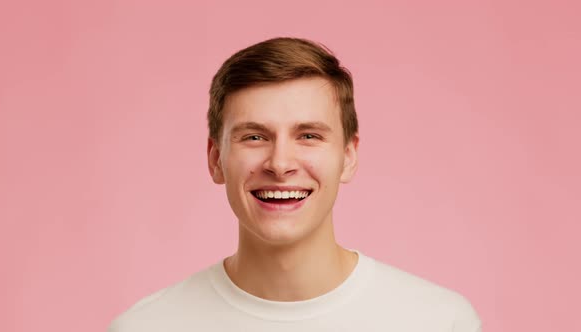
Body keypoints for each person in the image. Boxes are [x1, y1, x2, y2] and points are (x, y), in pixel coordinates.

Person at [108, 37, 482, 331]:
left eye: (308, 136)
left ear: (348, 157)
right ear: (215, 159)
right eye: (254, 137)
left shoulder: (437, 323)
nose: (280, 164)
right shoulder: (145, 327)